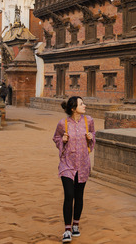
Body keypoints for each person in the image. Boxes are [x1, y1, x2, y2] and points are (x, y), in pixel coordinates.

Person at [53, 96, 95, 243]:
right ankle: (67, 230)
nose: (84, 106)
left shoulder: (88, 121)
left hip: (82, 164)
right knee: (69, 194)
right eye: (81, 104)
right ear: (73, 108)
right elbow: (56, 138)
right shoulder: (62, 124)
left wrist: (90, 137)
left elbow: (93, 136)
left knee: (79, 195)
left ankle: (75, 224)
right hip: (67, 164)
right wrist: (62, 140)